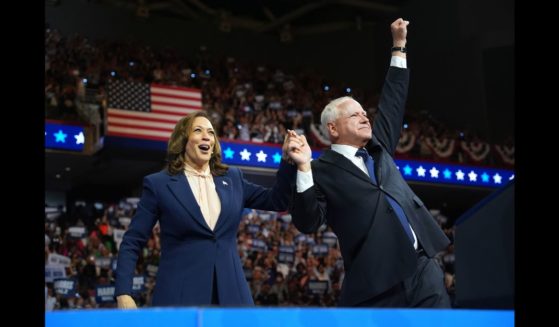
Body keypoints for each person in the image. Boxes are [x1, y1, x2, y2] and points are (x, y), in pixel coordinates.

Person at [286, 18, 451, 307]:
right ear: (333, 129)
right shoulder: (320, 170)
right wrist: (302, 168)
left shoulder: (379, 148)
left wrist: (398, 47)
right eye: (355, 115)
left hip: (425, 271)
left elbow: (393, 101)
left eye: (365, 113)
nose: (365, 117)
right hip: (376, 284)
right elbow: (308, 221)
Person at [115, 111, 298, 307]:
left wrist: (287, 161)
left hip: (232, 295)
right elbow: (133, 241)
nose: (206, 136)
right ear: (183, 140)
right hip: (181, 295)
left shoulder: (233, 178)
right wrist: (123, 292)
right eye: (198, 130)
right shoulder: (159, 184)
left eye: (211, 132)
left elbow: (277, 201)